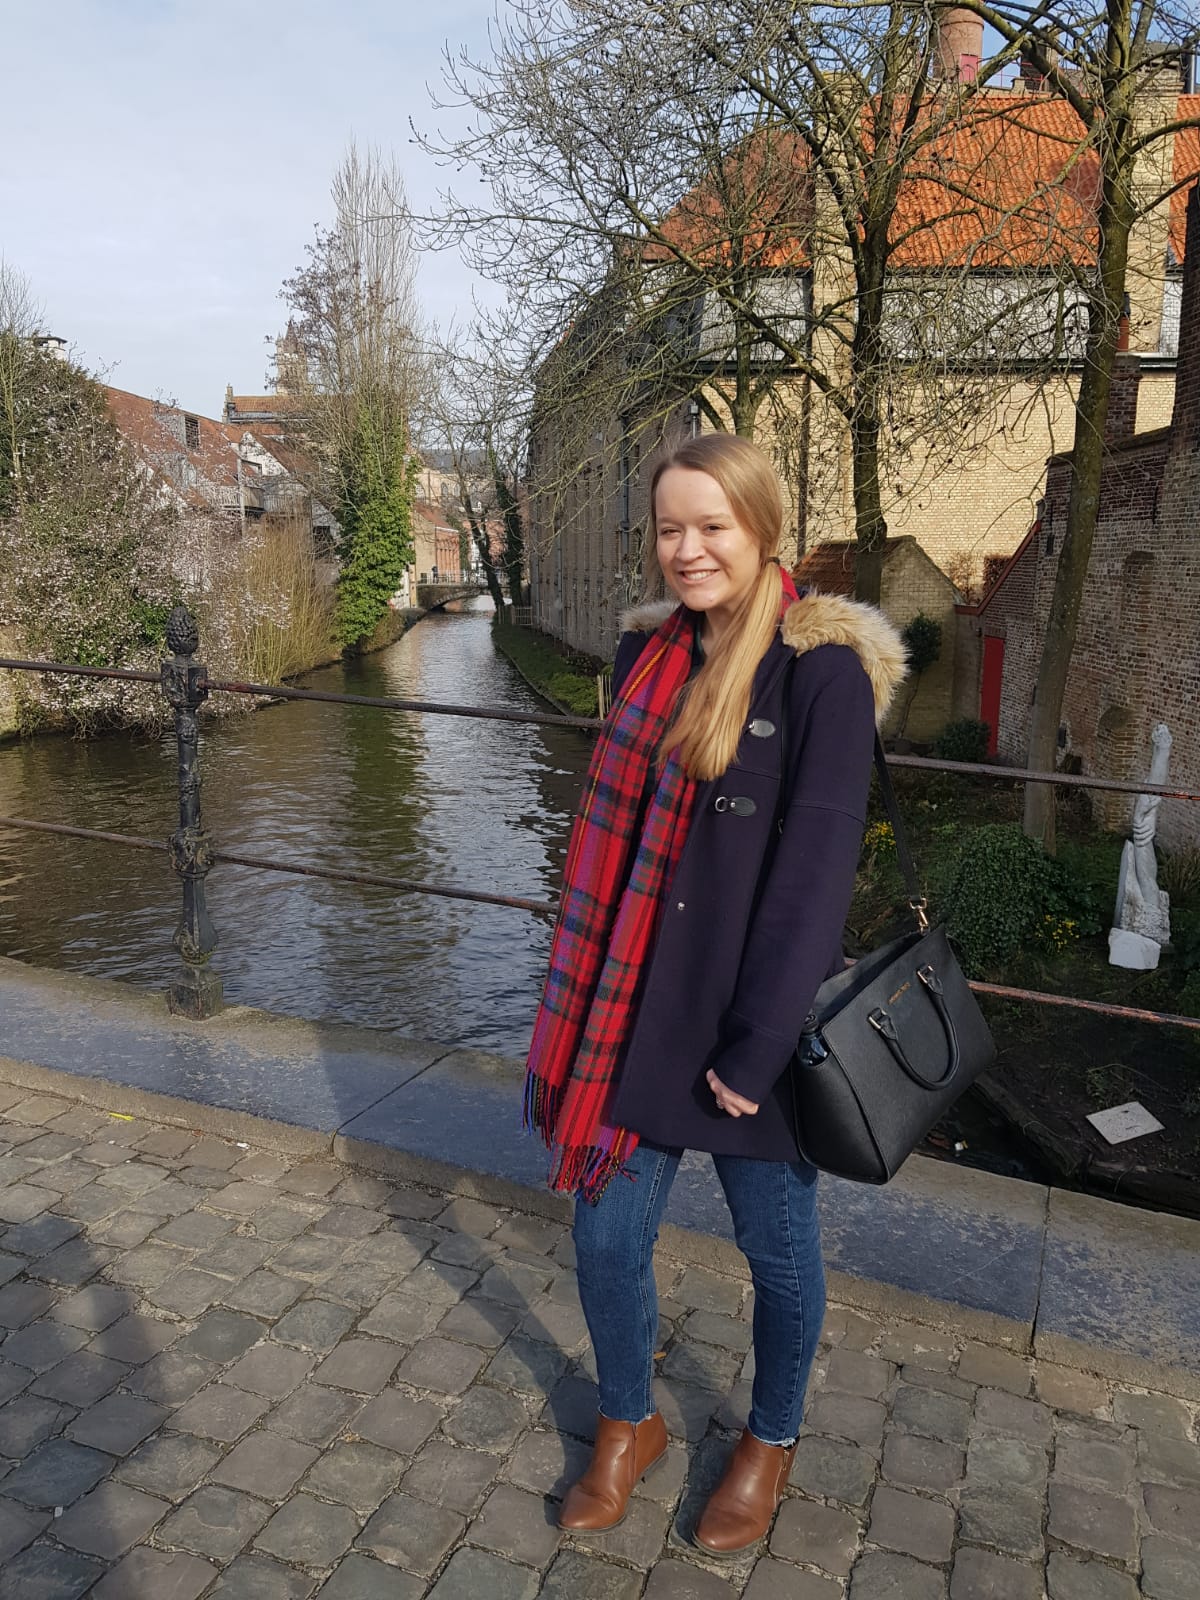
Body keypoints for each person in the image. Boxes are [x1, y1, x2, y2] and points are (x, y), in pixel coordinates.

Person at [523, 433, 906, 1556]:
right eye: (669, 528)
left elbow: (815, 878)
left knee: (776, 1250)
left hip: (750, 1030)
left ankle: (769, 1440)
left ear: (763, 529)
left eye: (712, 527)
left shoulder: (819, 672)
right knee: (605, 1238)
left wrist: (756, 1045)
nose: (687, 550)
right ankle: (628, 1424)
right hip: (636, 1009)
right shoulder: (652, 656)